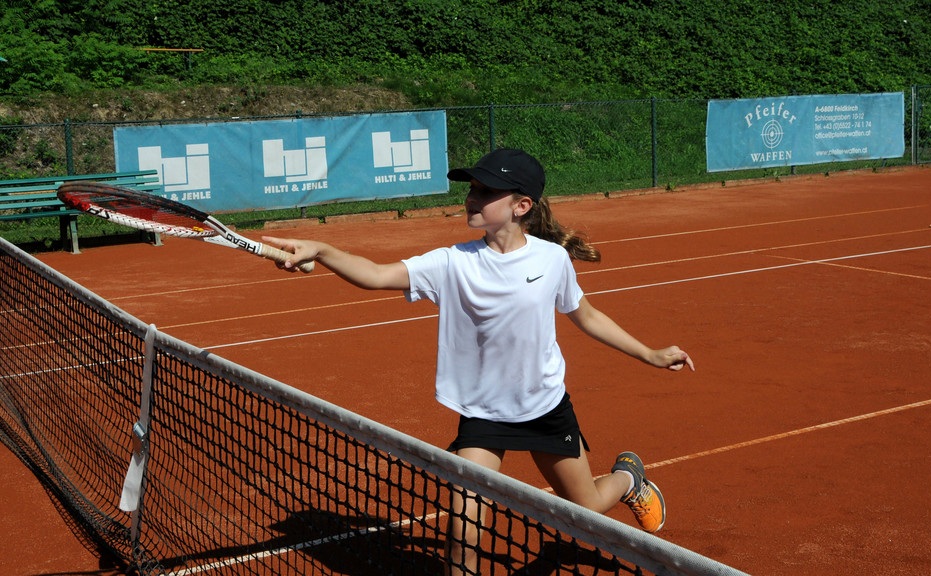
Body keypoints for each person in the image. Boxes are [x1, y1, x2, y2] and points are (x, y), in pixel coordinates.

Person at [264, 148, 694, 574]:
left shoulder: (551, 259)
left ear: (521, 206)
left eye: (486, 192)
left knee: (588, 509)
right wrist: (323, 250)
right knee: (462, 536)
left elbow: (586, 315)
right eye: (472, 189)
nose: (472, 198)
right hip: (483, 415)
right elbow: (375, 274)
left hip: (544, 408)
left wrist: (649, 353)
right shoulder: (452, 263)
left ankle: (629, 477)